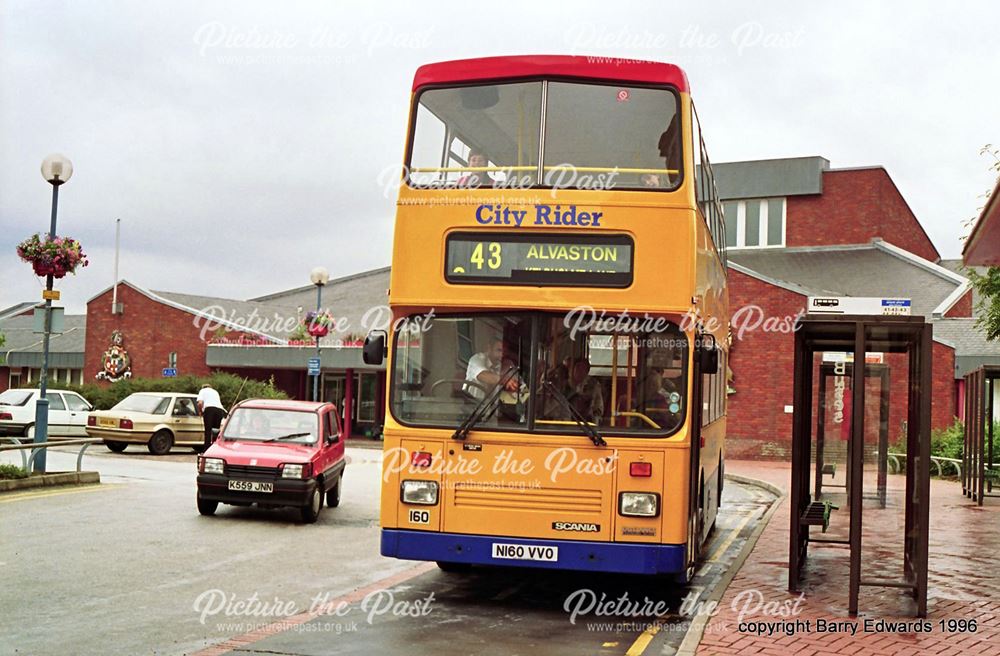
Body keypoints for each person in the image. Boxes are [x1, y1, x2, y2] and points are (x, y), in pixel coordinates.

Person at [565, 359, 605, 424]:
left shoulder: (593, 385)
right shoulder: (567, 383)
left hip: (587, 420)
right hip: (567, 417)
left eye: (582, 369)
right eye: (577, 368)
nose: (579, 371)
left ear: (587, 371)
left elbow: (598, 408)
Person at [197, 383, 226, 449]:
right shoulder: (215, 392)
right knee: (216, 430)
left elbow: (200, 403)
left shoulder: (203, 391)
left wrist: (200, 411)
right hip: (219, 410)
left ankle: (206, 448)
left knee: (208, 430)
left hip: (209, 410)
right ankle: (215, 447)